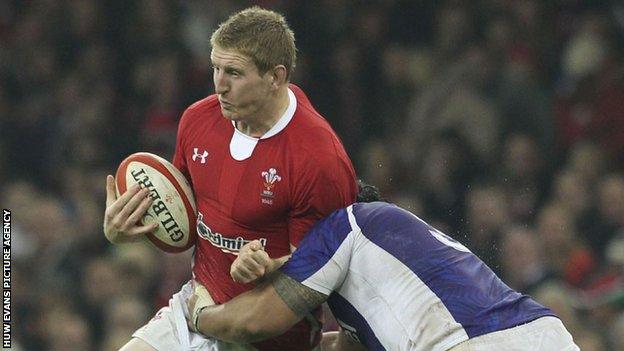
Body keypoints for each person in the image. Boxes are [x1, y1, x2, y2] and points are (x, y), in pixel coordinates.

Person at [103, 7, 357, 351]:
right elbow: (184, 218)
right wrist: (125, 229)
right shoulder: (197, 120)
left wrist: (268, 267)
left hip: (269, 337)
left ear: (275, 77)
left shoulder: (319, 158)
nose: (219, 85)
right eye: (216, 68)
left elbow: (319, 274)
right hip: (197, 306)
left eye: (234, 73)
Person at [186, 186, 580, 351]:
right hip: (540, 333)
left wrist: (200, 312)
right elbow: (344, 346)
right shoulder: (384, 250)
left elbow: (254, 321)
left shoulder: (343, 222)